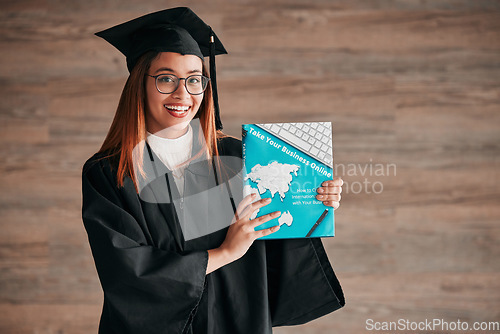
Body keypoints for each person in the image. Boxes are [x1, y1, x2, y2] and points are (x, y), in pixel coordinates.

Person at [82, 7, 345, 334]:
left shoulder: (240, 155)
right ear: (139, 83)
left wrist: (313, 199)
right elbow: (126, 271)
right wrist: (223, 253)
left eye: (194, 80)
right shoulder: (109, 172)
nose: (183, 94)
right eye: (166, 79)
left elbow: (275, 236)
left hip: (234, 320)